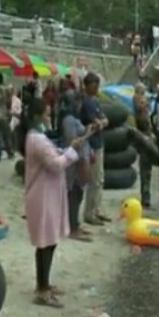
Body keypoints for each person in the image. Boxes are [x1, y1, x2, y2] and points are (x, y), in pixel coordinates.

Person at [20, 98, 84, 307]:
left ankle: (44, 284)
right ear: (39, 116)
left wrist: (70, 147)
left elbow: (54, 156)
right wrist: (72, 152)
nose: (50, 117)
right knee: (45, 243)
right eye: (47, 113)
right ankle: (42, 289)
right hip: (42, 196)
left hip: (48, 196)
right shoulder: (37, 139)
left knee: (49, 241)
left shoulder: (38, 137)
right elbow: (55, 164)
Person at [62, 92, 95, 243]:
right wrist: (88, 133)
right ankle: (72, 227)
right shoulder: (69, 120)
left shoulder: (74, 119)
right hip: (74, 164)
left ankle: (75, 224)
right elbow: (73, 143)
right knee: (73, 195)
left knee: (78, 194)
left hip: (80, 160)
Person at [79, 72, 110, 226]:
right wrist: (102, 123)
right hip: (92, 145)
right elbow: (98, 122)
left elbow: (105, 120)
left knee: (100, 179)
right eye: (94, 84)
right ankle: (89, 213)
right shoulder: (88, 103)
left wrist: (102, 122)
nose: (97, 87)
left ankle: (97, 209)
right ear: (87, 86)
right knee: (94, 180)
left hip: (99, 143)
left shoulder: (95, 101)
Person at [133, 82, 155, 207]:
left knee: (148, 168)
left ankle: (146, 195)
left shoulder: (141, 101)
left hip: (147, 132)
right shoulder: (137, 100)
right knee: (145, 167)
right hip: (143, 135)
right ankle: (145, 196)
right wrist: (145, 102)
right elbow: (140, 109)